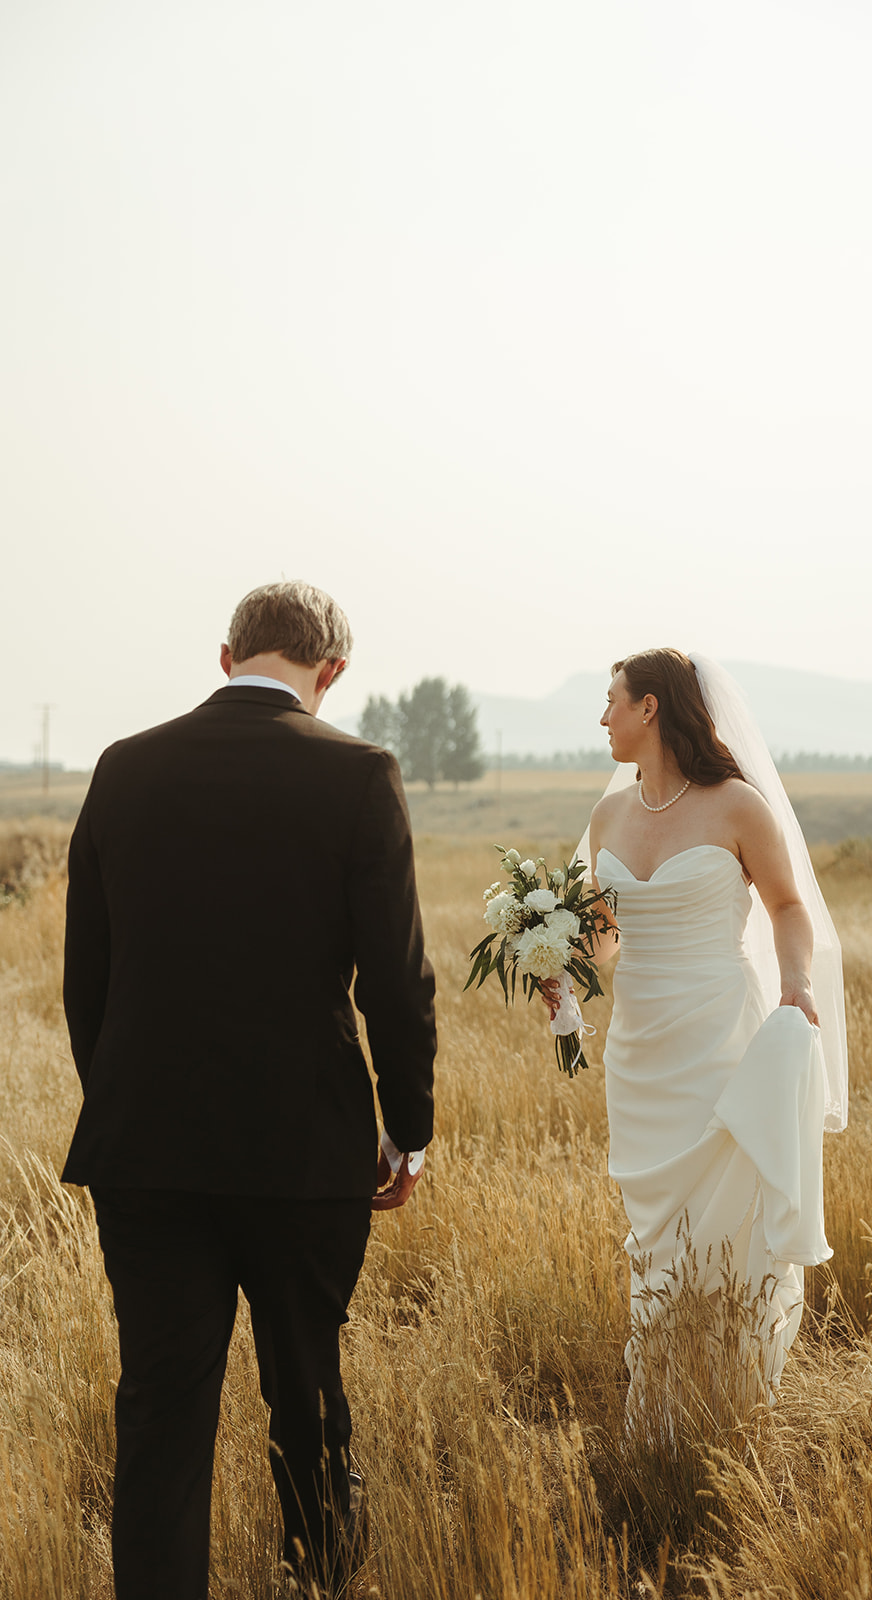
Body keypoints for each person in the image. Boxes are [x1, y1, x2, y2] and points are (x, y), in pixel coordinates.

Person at [61, 580, 436, 1599]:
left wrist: (129, 1105)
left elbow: (84, 981)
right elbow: (396, 979)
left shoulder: (123, 768)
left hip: (144, 1150)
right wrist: (407, 1129)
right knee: (308, 1397)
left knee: (161, 1412)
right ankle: (320, 1582)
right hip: (303, 1150)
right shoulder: (360, 773)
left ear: (225, 656)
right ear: (333, 673)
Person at [550, 648, 845, 1417]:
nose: (603, 717)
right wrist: (550, 955)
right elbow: (605, 944)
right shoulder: (607, 815)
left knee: (728, 1219)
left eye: (612, 700)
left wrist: (795, 982)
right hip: (639, 1049)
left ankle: (730, 1395)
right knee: (656, 1233)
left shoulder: (737, 806)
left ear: (650, 708)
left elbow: (786, 906)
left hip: (719, 1032)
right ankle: (664, 1402)